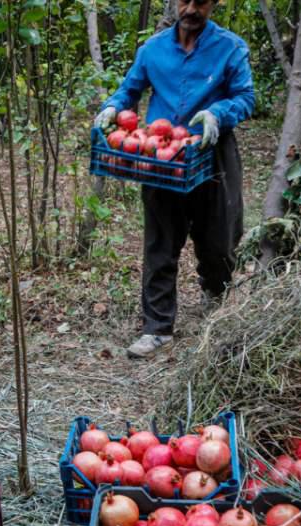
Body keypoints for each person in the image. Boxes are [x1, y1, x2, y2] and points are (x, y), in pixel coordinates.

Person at [94, 0, 254, 358]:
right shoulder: (152, 49)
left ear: (214, 3)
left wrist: (217, 113)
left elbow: (246, 97)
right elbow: (129, 90)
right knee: (160, 244)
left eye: (201, 1)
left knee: (218, 241)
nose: (192, 8)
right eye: (185, 0)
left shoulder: (230, 48)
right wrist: (112, 105)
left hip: (212, 156)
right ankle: (157, 328)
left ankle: (218, 308)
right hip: (162, 157)